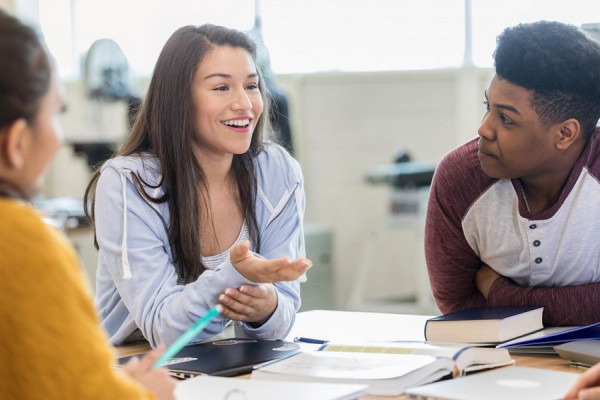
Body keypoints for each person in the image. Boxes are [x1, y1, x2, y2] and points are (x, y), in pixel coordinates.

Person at [84, 23, 311, 348]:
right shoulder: (127, 183)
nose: (245, 104)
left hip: (225, 361)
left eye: (251, 86)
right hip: (136, 365)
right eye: (221, 88)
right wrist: (236, 276)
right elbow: (165, 330)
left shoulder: (277, 172)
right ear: (179, 99)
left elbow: (281, 318)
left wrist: (267, 308)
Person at [0, 9, 175, 400]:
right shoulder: (21, 241)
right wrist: (142, 393)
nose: (59, 139)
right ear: (15, 142)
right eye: (55, 114)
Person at [425, 20, 600, 326]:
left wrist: (500, 292)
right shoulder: (459, 178)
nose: (483, 128)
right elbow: (458, 308)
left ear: (565, 134)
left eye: (505, 118)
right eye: (488, 106)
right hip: (499, 364)